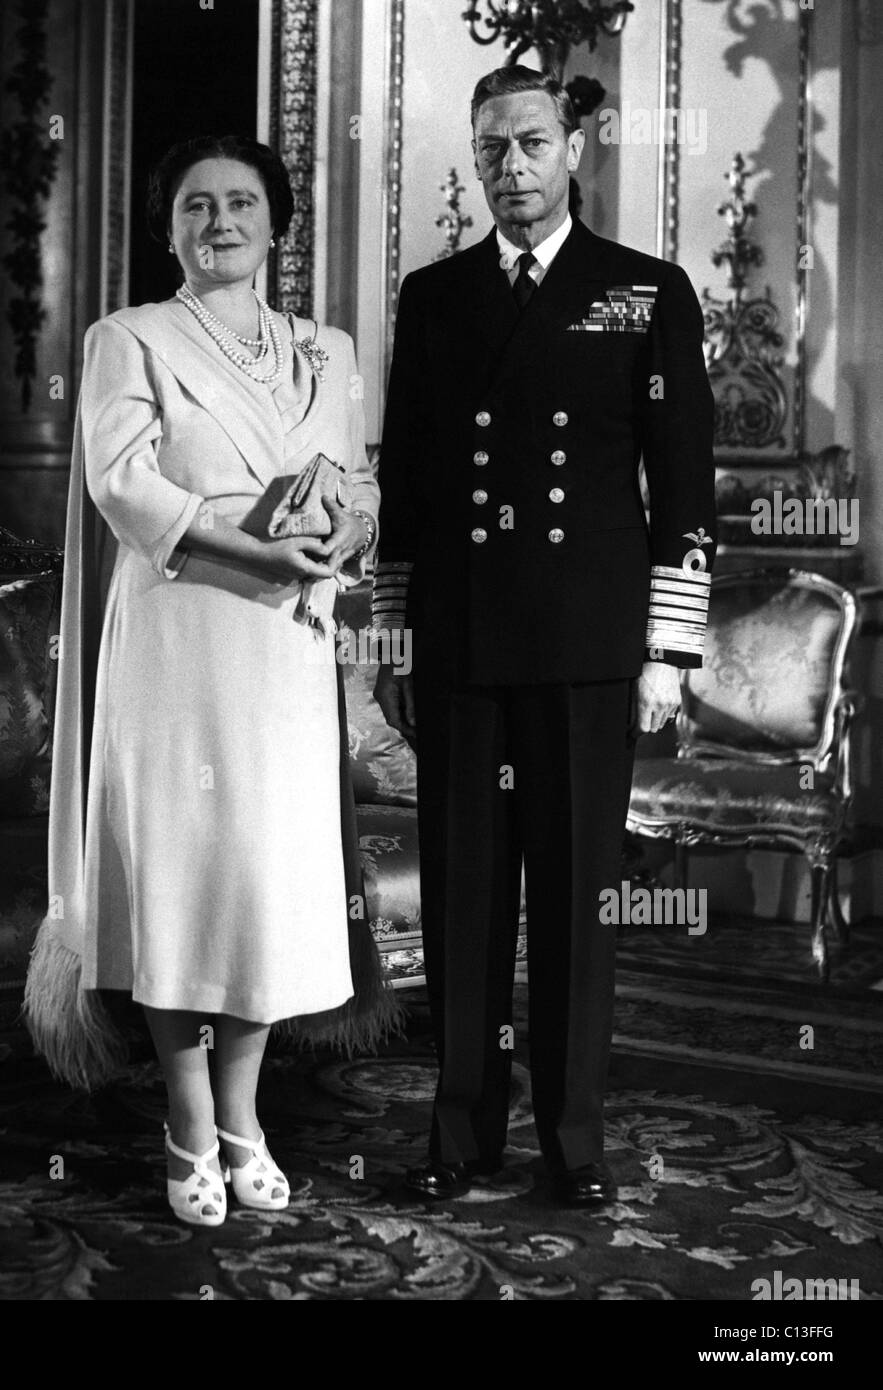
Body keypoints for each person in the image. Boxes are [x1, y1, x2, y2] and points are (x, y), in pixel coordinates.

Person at [24, 134, 387, 1227]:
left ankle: (245, 1120)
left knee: (261, 886)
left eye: (240, 204)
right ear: (169, 229)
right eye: (195, 207)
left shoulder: (328, 348)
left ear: (276, 223)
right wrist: (250, 551)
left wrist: (352, 523)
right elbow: (122, 484)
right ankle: (187, 1125)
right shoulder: (125, 339)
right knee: (186, 877)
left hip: (283, 650)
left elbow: (359, 477)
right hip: (181, 638)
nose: (219, 223)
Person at [372, 66, 717, 1206]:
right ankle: (458, 1136)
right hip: (462, 642)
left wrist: (668, 653)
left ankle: (574, 1147)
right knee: (467, 899)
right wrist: (392, 641)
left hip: (586, 645)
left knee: (575, 906)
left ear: (575, 147)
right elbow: (410, 486)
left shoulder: (643, 290)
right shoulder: (435, 296)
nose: (509, 169)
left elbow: (681, 493)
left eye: (529, 144)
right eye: (488, 150)